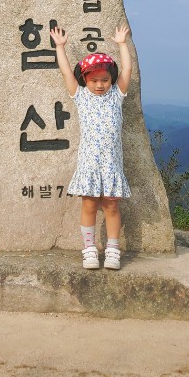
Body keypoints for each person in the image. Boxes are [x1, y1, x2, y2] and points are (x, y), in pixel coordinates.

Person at [50, 24, 132, 270]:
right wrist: (60, 47)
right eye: (94, 80)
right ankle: (89, 249)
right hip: (89, 164)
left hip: (111, 165)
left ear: (111, 79)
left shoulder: (116, 95)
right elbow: (66, 72)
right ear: (84, 79)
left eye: (105, 80)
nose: (100, 84)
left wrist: (122, 44)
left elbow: (127, 69)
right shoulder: (81, 97)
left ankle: (113, 250)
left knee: (111, 206)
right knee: (88, 205)